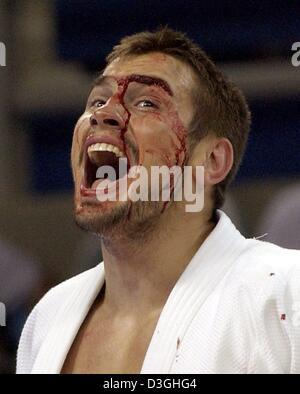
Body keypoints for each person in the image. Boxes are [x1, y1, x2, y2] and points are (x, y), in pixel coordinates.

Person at [17, 28, 300, 374]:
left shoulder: (285, 294)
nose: (104, 114)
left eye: (147, 103)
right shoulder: (48, 319)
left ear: (211, 161)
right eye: (96, 100)